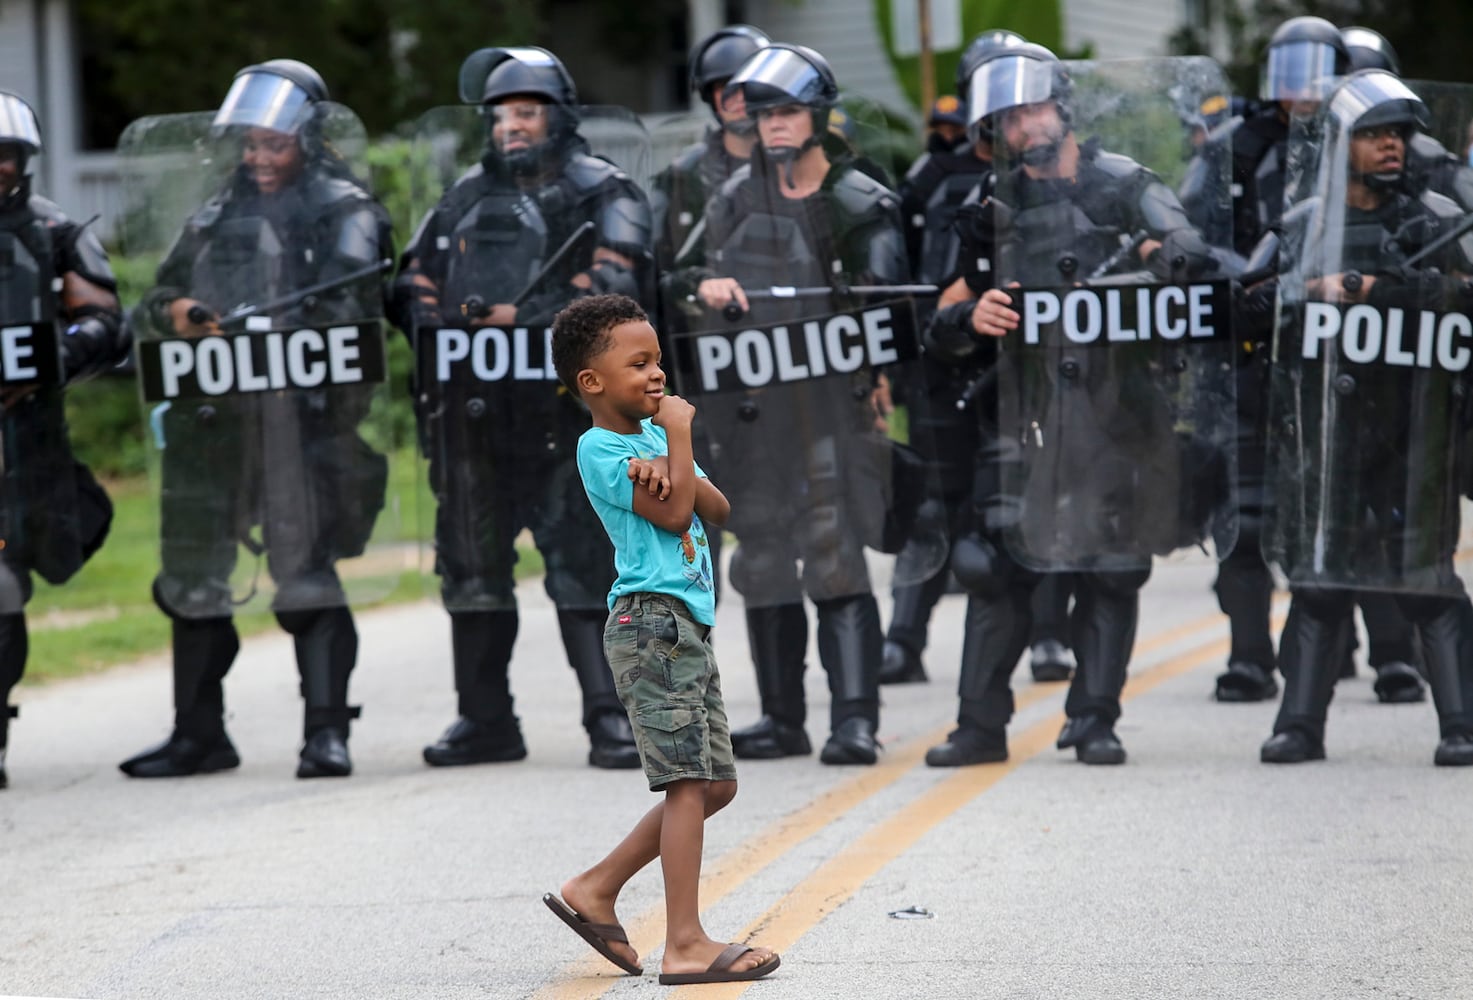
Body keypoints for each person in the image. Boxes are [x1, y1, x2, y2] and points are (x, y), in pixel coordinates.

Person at [925, 43, 1228, 766]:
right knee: (992, 563)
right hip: (1023, 407)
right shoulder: (987, 204)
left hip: (1121, 404)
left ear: (1061, 105)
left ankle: (1093, 718)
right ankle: (978, 725)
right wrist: (972, 319)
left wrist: (1164, 257)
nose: (1024, 124)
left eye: (1032, 106)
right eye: (1008, 116)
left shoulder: (1125, 183)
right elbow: (942, 314)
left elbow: (1187, 256)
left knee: (1112, 562)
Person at [118, 60, 394, 780]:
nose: (260, 158)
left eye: (275, 144)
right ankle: (198, 734)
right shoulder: (214, 212)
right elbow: (157, 298)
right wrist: (179, 312)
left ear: (306, 138)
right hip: (213, 425)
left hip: (300, 427)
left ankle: (326, 734)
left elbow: (357, 304)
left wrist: (278, 324)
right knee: (194, 577)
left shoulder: (344, 207)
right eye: (250, 145)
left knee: (306, 577)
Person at [392, 46, 654, 770]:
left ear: (558, 116)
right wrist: (431, 310)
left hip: (571, 422)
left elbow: (612, 296)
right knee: (470, 569)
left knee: (582, 567)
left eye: (526, 110)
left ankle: (609, 717)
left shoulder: (604, 191)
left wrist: (525, 317)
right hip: (473, 422)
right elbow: (410, 283)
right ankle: (484, 720)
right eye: (502, 113)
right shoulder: (464, 195)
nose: (512, 125)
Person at [667, 43, 912, 765]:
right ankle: (781, 718)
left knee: (833, 553)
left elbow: (892, 314)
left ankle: (855, 720)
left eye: (788, 111)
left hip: (830, 409)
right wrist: (702, 288)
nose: (772, 124)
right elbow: (677, 277)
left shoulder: (858, 200)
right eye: (764, 112)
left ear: (818, 115)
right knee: (763, 557)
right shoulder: (733, 196)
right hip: (747, 411)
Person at [544, 293, 780, 986]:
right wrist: (674, 444)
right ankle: (685, 944)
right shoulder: (601, 447)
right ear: (593, 383)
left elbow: (715, 505)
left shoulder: (650, 438)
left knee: (716, 785)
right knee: (686, 784)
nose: (657, 376)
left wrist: (674, 450)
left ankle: (595, 888)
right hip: (649, 623)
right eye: (638, 363)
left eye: (658, 362)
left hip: (683, 625)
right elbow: (678, 515)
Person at [1258, 69, 1473, 766]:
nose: (1391, 147)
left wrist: (1370, 289)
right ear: (1338, 142)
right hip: (1329, 427)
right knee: (1319, 578)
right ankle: (1298, 724)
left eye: (1399, 135)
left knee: (1425, 577)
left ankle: (1461, 724)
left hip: (1415, 425)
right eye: (1374, 134)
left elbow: (1464, 301)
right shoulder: (1303, 223)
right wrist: (1299, 293)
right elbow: (1244, 301)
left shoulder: (1438, 220)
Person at [882, 27, 1078, 688]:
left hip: (1024, 361)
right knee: (934, 507)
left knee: (1035, 500)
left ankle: (1050, 637)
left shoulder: (1060, 178)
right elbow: (901, 270)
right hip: (937, 358)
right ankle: (903, 640)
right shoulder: (932, 176)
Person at [0, 92, 126, 788]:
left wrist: (55, 356)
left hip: (24, 444)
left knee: (2, 586)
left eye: (3, 154)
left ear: (23, 160)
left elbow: (109, 323)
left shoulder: (52, 231)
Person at [650, 24, 769, 273]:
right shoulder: (683, 174)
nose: (737, 98)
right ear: (709, 97)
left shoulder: (799, 162)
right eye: (724, 87)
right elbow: (658, 268)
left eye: (745, 86)